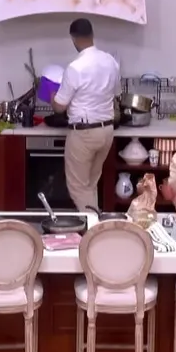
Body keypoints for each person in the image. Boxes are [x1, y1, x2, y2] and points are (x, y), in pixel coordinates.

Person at [51, 18, 120, 211]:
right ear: (92, 34)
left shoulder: (75, 67)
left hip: (84, 134)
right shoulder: (111, 62)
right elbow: (116, 94)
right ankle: (94, 224)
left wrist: (52, 96)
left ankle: (95, 225)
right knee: (90, 185)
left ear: (73, 38)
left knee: (78, 188)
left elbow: (60, 107)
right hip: (106, 131)